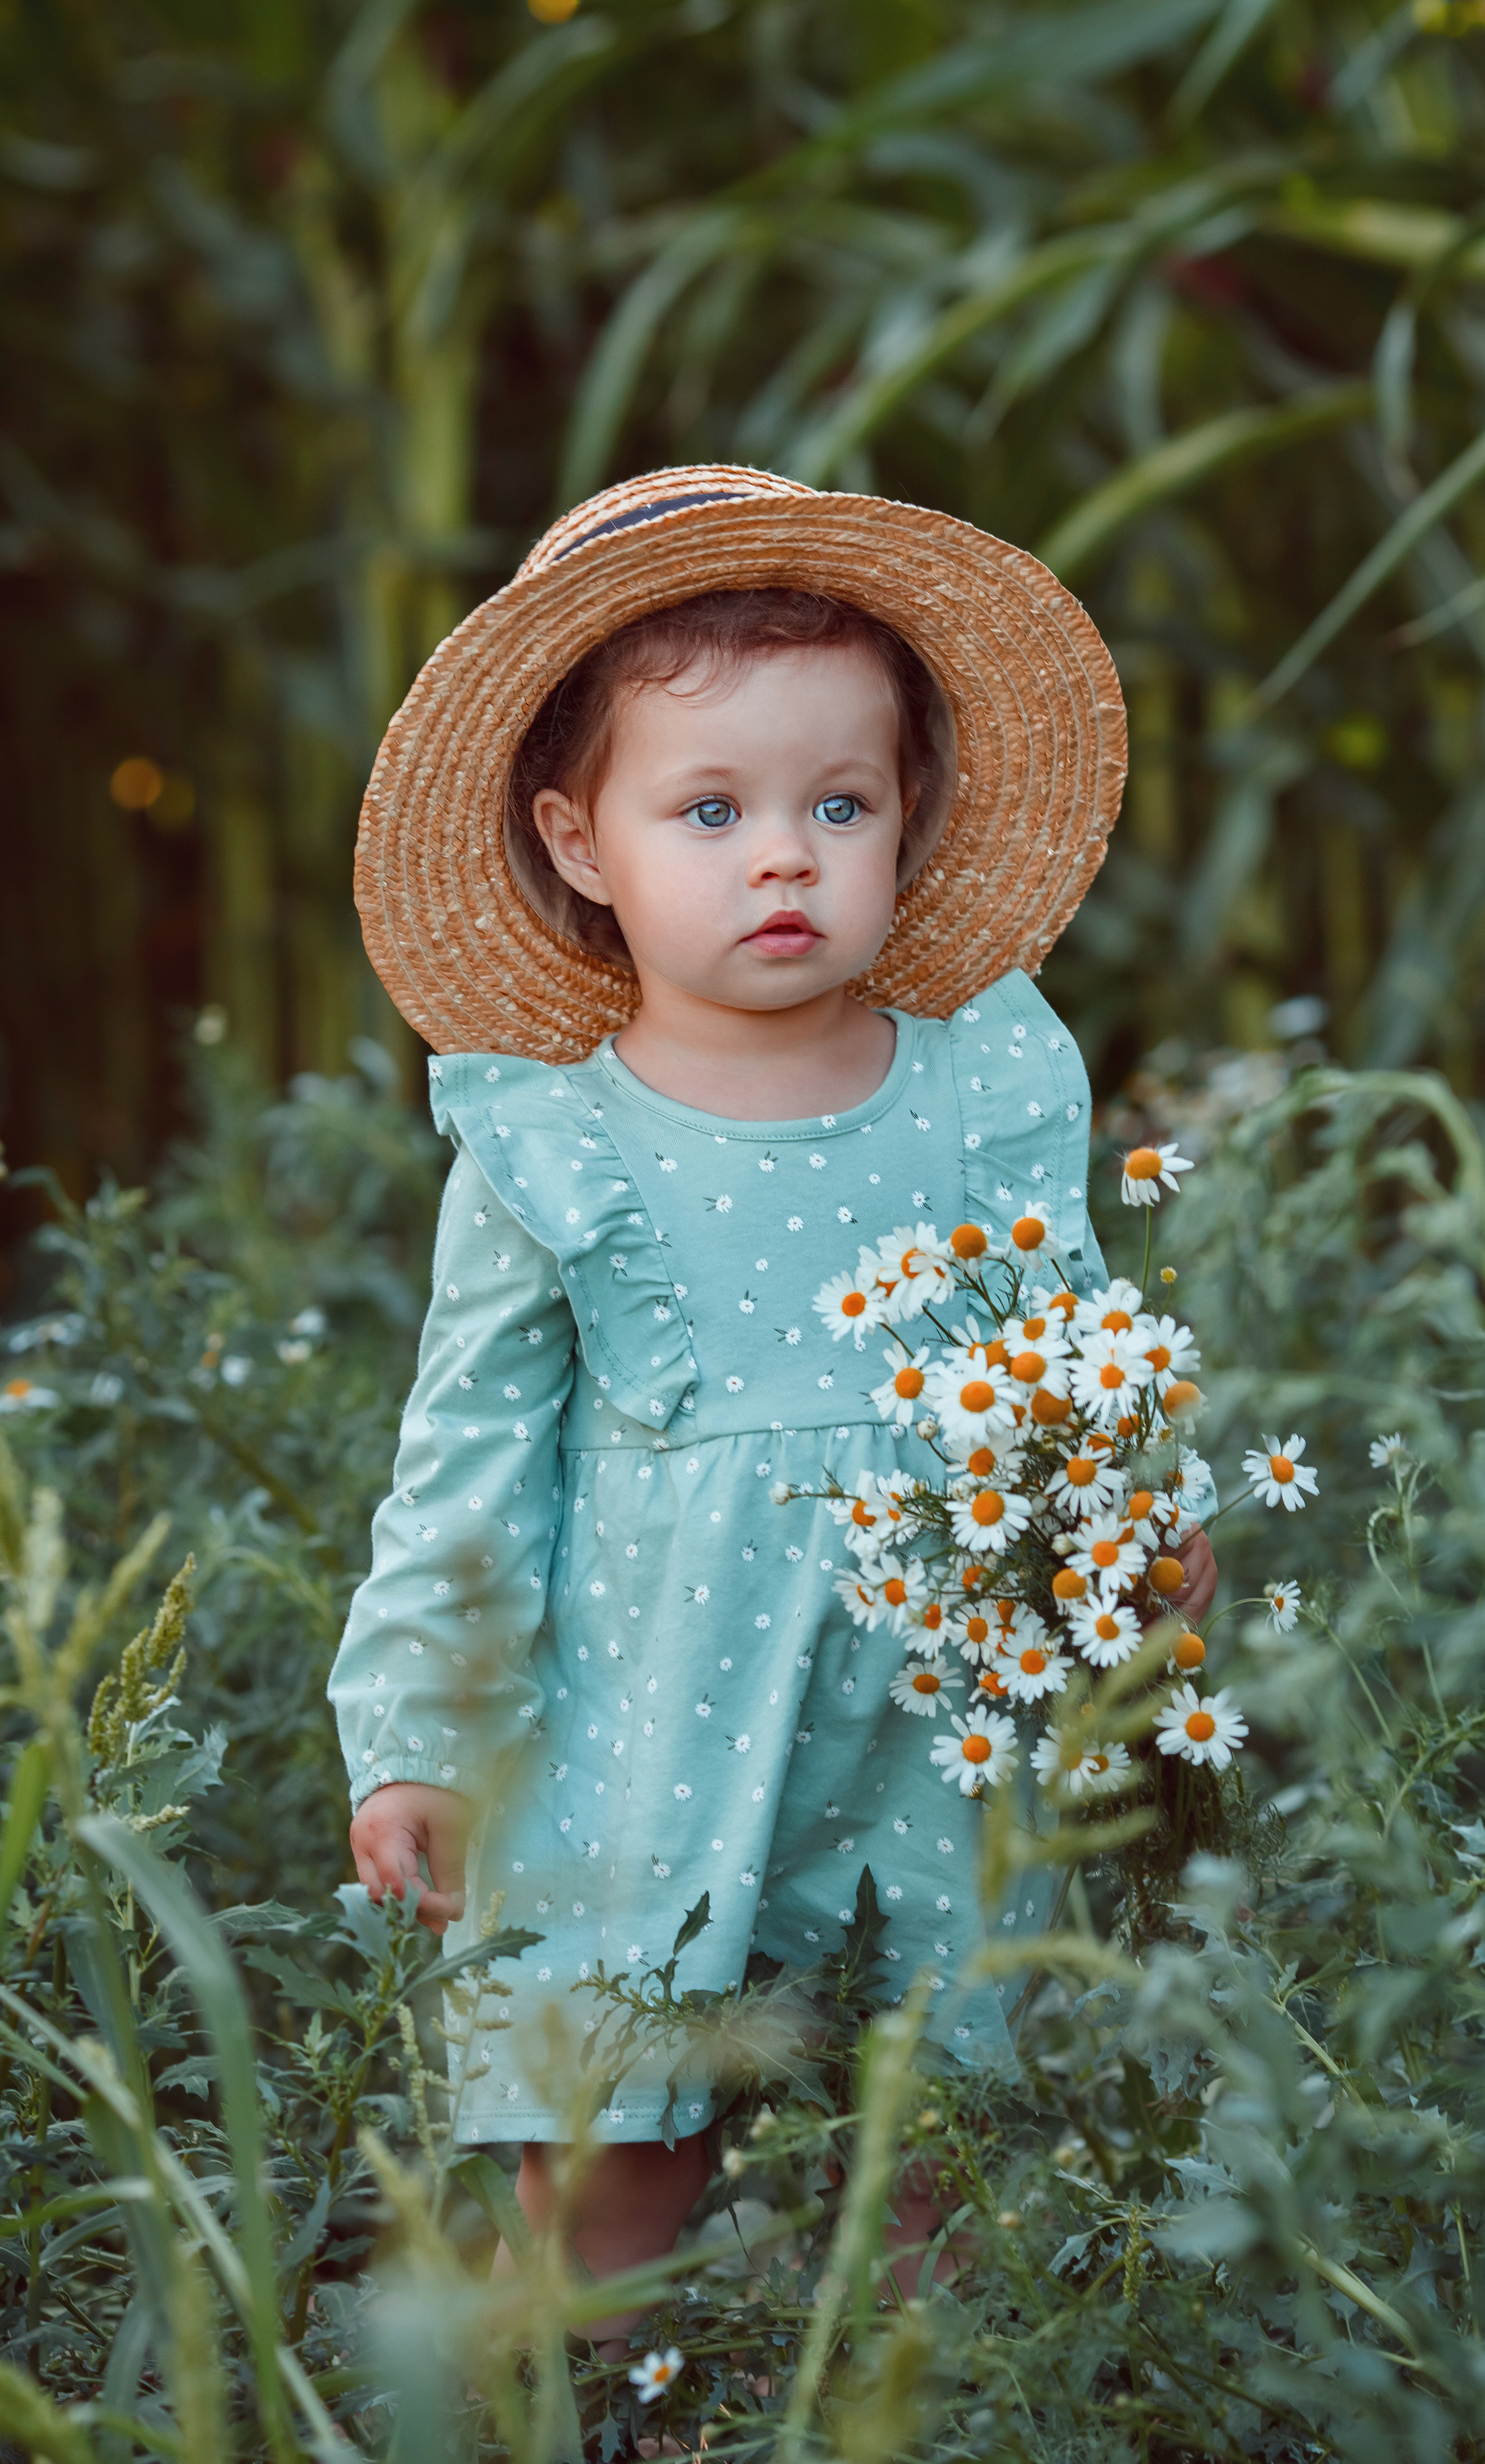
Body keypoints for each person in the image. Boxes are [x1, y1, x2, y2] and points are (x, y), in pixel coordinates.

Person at [331, 466, 1217, 2303]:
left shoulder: (981, 1088)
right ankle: (586, 2411)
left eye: (840, 803)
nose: (787, 857)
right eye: (712, 809)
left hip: (930, 1709)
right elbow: (468, 1460)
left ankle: (922, 2414)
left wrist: (1139, 1517)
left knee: (937, 2131)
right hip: (638, 1720)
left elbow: (1071, 1337)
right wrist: (420, 1732)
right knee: (615, 2129)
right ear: (582, 844)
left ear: (908, 818)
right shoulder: (554, 1145)